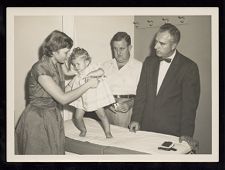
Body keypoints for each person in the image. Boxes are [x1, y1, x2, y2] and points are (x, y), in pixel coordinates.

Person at [15, 30, 99, 155]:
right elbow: (63, 99)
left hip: (52, 115)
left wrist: (87, 69)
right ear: (54, 51)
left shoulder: (58, 62)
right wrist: (88, 84)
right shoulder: (40, 68)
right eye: (66, 52)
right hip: (38, 119)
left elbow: (69, 72)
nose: (68, 56)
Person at [129, 23, 200, 150]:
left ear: (174, 45)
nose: (156, 46)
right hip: (146, 128)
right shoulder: (149, 62)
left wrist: (186, 134)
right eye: (156, 42)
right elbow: (141, 94)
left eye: (162, 44)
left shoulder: (189, 67)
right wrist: (136, 119)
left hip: (172, 132)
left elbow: (189, 105)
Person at [64, 47, 115, 138]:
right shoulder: (77, 76)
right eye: (74, 64)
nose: (76, 67)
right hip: (82, 100)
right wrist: (63, 92)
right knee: (77, 117)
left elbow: (101, 71)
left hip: (95, 99)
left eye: (78, 64)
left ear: (86, 62)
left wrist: (92, 74)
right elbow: (70, 86)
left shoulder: (92, 69)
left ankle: (108, 132)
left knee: (102, 115)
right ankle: (83, 129)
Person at [102, 32, 142, 128]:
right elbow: (99, 90)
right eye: (115, 49)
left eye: (122, 49)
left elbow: (146, 95)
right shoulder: (105, 66)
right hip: (108, 109)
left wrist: (130, 103)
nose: (118, 53)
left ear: (130, 48)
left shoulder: (140, 67)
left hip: (130, 110)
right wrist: (107, 103)